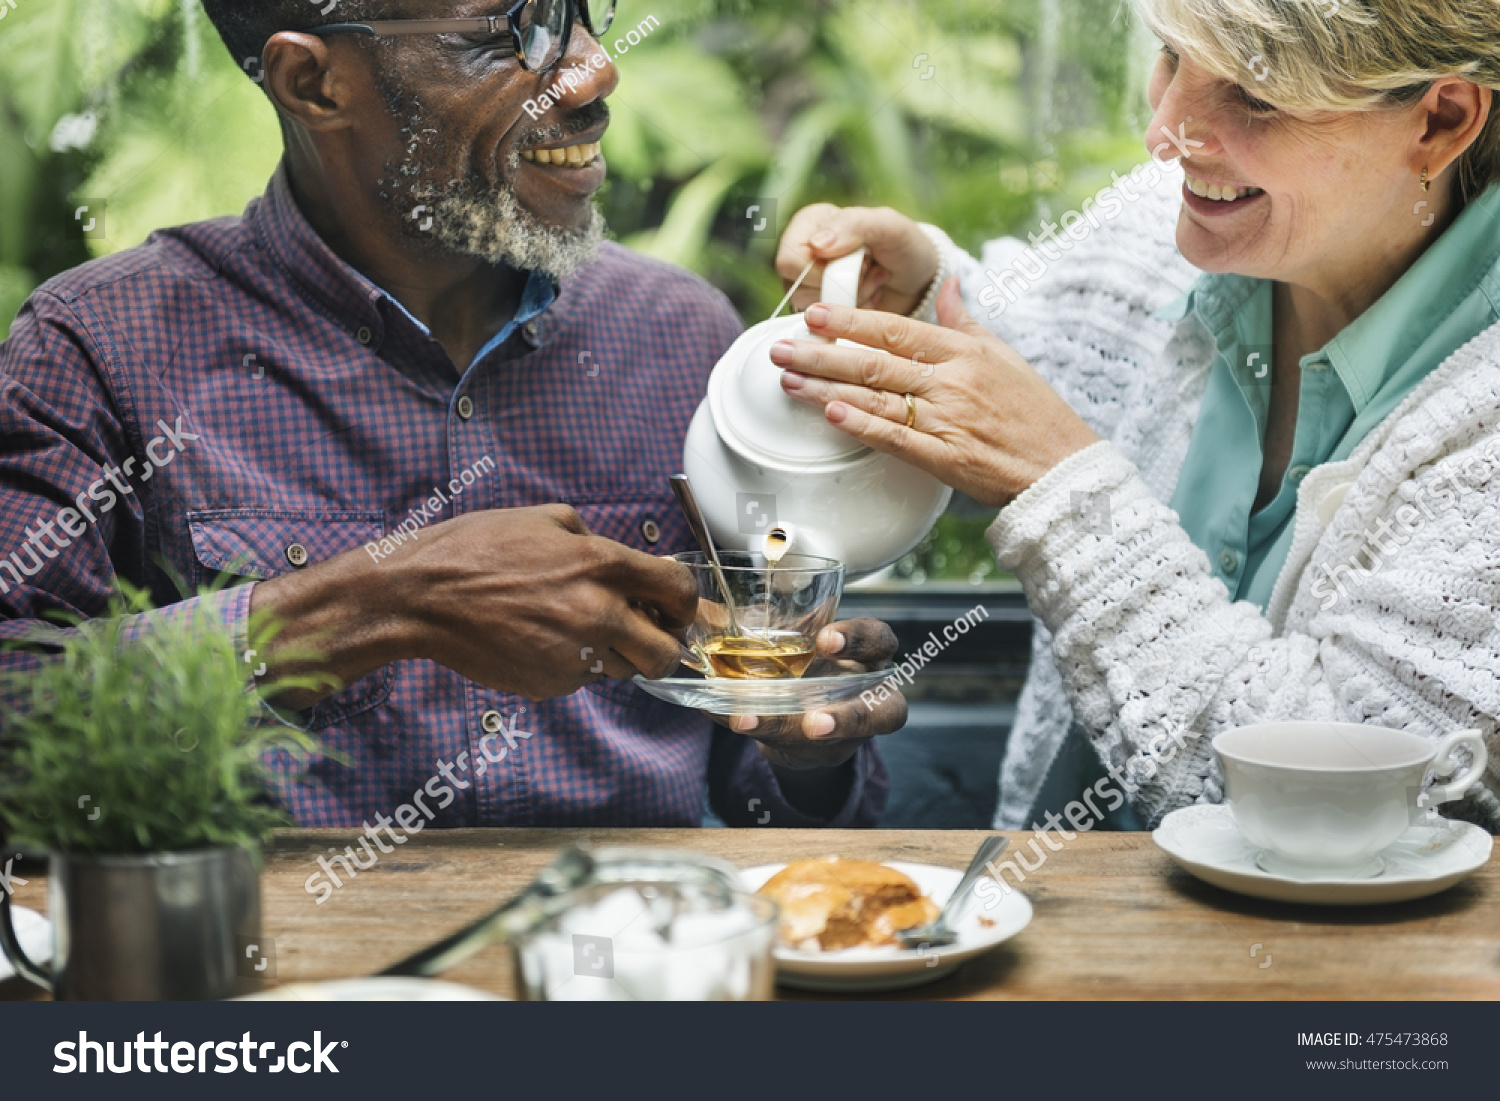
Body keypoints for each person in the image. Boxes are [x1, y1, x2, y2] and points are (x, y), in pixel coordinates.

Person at [0, 0, 907, 831]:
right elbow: (15, 719)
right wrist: (379, 602)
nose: (592, 73)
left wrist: (809, 748)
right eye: (505, 35)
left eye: (583, 13)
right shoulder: (100, 348)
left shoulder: (678, 334)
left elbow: (765, 797)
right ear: (312, 83)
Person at [771, 0, 1500, 832]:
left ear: (1441, 121)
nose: (1167, 133)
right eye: (1171, 60)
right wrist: (923, 298)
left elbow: (1335, 809)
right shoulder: (1178, 223)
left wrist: (1063, 495)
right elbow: (1055, 361)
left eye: (1254, 98)